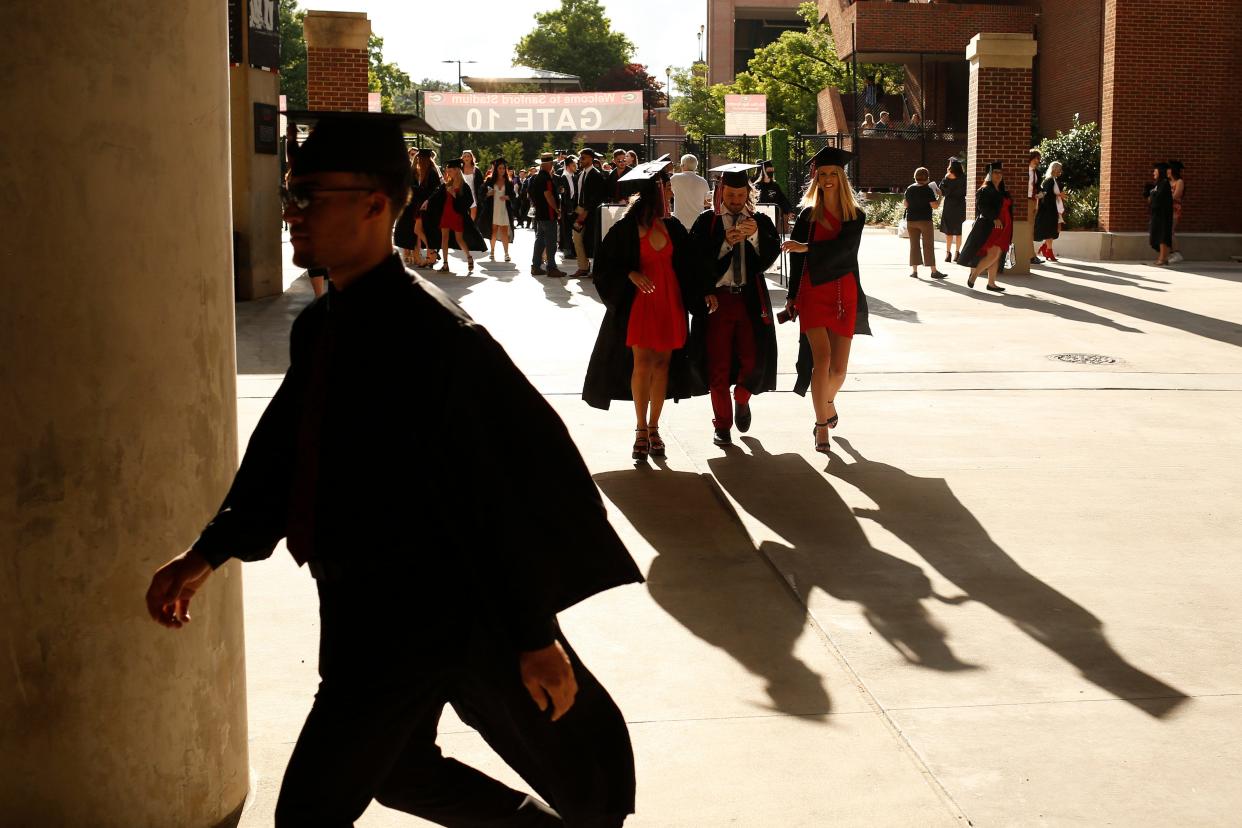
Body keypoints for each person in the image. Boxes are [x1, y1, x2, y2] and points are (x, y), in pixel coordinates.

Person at [146, 112, 641, 828]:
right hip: (362, 604)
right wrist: (210, 549)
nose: (293, 214)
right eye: (292, 196)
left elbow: (491, 494)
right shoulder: (324, 324)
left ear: (376, 203)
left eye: (310, 196)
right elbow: (282, 453)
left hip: (416, 613)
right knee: (404, 772)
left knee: (310, 813)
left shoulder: (436, 339)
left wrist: (535, 635)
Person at [583, 156, 706, 460]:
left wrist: (705, 293)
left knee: (663, 364)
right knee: (642, 363)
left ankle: (654, 428)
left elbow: (691, 265)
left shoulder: (674, 227)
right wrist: (630, 272)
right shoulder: (625, 228)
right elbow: (605, 265)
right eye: (667, 187)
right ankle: (640, 428)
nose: (671, 193)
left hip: (669, 301)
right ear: (656, 192)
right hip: (640, 304)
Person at [781, 146, 870, 454]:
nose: (828, 179)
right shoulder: (808, 214)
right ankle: (821, 426)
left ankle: (827, 402)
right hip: (813, 292)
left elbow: (845, 253)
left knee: (840, 370)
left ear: (841, 177)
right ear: (815, 177)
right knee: (823, 360)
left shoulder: (855, 215)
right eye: (823, 174)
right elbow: (795, 260)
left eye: (833, 174)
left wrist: (807, 248)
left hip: (843, 293)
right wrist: (792, 295)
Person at [690, 163, 781, 445]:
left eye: (741, 196)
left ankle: (742, 398)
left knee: (754, 360)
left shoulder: (760, 221)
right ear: (720, 192)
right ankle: (722, 424)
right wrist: (725, 245)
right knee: (717, 365)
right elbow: (694, 263)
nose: (735, 201)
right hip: (719, 300)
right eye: (730, 195)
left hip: (750, 299)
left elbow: (768, 258)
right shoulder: (707, 223)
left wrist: (753, 237)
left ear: (748, 194)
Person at [425, 158, 486, 275]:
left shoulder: (464, 186)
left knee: (459, 239)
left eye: (450, 170)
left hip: (457, 215)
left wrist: (454, 195)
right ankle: (445, 263)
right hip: (446, 214)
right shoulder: (447, 184)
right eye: (448, 170)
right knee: (444, 239)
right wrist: (427, 201)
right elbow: (436, 195)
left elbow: (468, 201)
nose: (448, 172)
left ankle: (468, 257)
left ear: (457, 170)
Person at [958, 160, 1012, 292]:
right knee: (993, 254)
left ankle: (991, 283)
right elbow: (982, 207)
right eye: (995, 172)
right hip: (991, 226)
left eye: (1000, 172)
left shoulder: (1002, 191)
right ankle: (974, 276)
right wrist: (994, 218)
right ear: (990, 174)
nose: (998, 175)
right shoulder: (985, 189)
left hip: (1004, 226)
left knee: (996, 255)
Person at [394, 147, 440, 270]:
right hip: (417, 207)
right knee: (416, 232)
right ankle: (424, 256)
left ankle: (430, 254)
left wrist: (416, 190)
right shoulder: (419, 172)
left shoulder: (432, 173)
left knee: (419, 231)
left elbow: (433, 191)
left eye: (420, 158)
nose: (418, 160)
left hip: (426, 208)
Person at [570, 147, 608, 278]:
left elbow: (597, 196)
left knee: (592, 240)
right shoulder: (581, 174)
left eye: (583, 158)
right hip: (580, 209)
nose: (580, 160)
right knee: (577, 238)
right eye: (580, 158)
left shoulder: (596, 175)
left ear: (591, 159)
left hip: (590, 212)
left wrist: (586, 211)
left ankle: (594, 268)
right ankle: (583, 267)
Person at [903, 167, 946, 280]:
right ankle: (933, 271)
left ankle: (914, 271)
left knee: (914, 245)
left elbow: (905, 204)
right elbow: (935, 206)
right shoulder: (928, 190)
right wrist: (940, 196)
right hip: (925, 220)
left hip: (911, 220)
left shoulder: (909, 188)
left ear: (915, 176)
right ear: (927, 177)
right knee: (928, 246)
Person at [530, 153, 565, 278]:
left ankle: (536, 266)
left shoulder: (536, 177)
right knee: (551, 242)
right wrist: (556, 209)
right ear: (549, 164)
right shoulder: (546, 178)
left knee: (540, 240)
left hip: (540, 214)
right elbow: (548, 194)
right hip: (548, 214)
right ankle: (551, 268)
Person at [480, 157, 516, 262]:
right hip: (493, 209)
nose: (502, 170)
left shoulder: (508, 182)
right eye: (500, 168)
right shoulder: (490, 180)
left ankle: (506, 254)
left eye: (503, 168)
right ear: (496, 169)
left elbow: (513, 196)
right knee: (494, 232)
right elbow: (481, 194)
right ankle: (492, 252)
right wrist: (488, 194)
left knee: (504, 232)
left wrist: (507, 197)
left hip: (504, 209)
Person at [669, 153, 710, 231]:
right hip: (697, 223)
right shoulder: (703, 181)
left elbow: (668, 193)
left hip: (679, 222)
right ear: (696, 166)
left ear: (682, 165)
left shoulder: (675, 178)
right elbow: (707, 201)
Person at [1033, 161, 1065, 262]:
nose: (1060, 171)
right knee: (1050, 231)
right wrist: (1058, 195)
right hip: (1048, 210)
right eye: (1059, 169)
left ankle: (1045, 248)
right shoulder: (1049, 181)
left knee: (1053, 231)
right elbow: (1046, 195)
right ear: (1055, 169)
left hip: (1052, 209)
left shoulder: (1054, 180)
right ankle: (1049, 251)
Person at [938, 157, 967, 263]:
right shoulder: (964, 178)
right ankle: (957, 253)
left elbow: (942, 191)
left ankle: (948, 253)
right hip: (960, 205)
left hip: (949, 205)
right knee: (959, 231)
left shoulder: (947, 177)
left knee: (949, 231)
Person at [753, 160, 793, 230]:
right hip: (760, 217)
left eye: (772, 170)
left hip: (774, 216)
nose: (771, 173)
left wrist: (789, 210)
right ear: (764, 171)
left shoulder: (775, 186)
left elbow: (782, 199)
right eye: (768, 171)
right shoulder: (757, 186)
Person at [1148, 161, 1173, 266]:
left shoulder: (1164, 183)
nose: (1153, 172)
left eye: (1155, 170)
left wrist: (1152, 194)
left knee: (1162, 235)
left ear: (1160, 171)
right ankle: (1163, 258)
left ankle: (1163, 258)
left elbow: (1158, 198)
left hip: (1163, 214)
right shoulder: (1159, 183)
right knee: (1159, 235)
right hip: (1158, 214)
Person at [1026, 148, 1044, 264]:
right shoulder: (1025, 170)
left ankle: (1031, 256)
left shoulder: (1036, 172)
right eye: (1037, 158)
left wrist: (1040, 194)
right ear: (1031, 158)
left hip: (1034, 201)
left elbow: (1037, 187)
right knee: (1028, 229)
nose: (1038, 161)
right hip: (1026, 201)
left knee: (1031, 229)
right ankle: (1031, 256)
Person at [558, 155, 578, 258]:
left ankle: (572, 249)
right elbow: (563, 194)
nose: (576, 167)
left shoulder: (574, 177)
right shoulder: (563, 177)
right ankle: (567, 250)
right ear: (569, 166)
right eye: (574, 165)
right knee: (566, 229)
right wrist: (568, 208)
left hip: (573, 206)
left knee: (572, 229)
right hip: (566, 207)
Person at [460, 149, 485, 226]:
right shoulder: (459, 169)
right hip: (462, 194)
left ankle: (471, 227)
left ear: (471, 158)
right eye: (464, 156)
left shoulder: (476, 170)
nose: (466, 158)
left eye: (468, 156)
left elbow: (481, 184)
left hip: (474, 194)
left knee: (474, 213)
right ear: (462, 158)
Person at [1169, 160, 1185, 263]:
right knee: (1166, 232)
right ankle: (1171, 253)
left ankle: (1177, 253)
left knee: (1171, 231)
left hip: (1174, 209)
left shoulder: (1179, 182)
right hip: (1166, 209)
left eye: (1168, 169)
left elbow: (1176, 195)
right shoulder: (1167, 181)